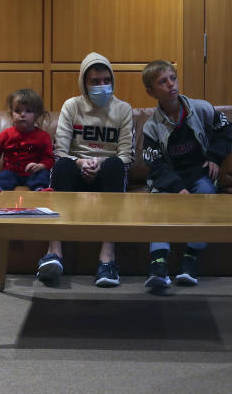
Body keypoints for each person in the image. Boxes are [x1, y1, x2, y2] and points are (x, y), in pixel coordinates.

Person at [36, 52, 134, 287]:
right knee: (61, 166)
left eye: (106, 80)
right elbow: (60, 149)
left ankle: (107, 260)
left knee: (115, 165)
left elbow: (126, 155)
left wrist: (99, 163)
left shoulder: (123, 109)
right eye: (95, 81)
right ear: (84, 83)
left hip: (107, 174)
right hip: (76, 170)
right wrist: (80, 163)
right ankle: (54, 253)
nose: (102, 86)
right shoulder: (72, 106)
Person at [140, 60, 232, 290]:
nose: (171, 84)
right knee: (158, 206)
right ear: (151, 92)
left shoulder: (200, 108)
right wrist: (176, 187)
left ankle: (190, 259)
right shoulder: (151, 127)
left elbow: (226, 131)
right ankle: (159, 264)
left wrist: (214, 157)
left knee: (206, 196)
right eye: (163, 82)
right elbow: (155, 164)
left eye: (173, 78)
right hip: (169, 180)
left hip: (198, 175)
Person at [0, 88, 55, 205]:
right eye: (17, 111)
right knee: (3, 177)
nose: (22, 114)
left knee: (42, 175)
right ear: (11, 113)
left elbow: (49, 159)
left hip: (33, 173)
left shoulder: (43, 136)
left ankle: (41, 191)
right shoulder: (6, 135)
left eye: (28, 111)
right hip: (11, 172)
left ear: (37, 114)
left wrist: (40, 165)